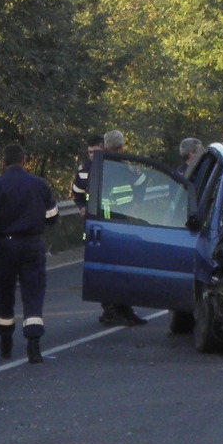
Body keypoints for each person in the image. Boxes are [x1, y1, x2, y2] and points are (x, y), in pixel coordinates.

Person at [0, 143, 56, 363]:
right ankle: (33, 346)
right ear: (24, 161)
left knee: (5, 292)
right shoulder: (39, 185)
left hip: (5, 245)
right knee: (33, 293)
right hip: (32, 245)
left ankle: (5, 342)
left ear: (4, 162)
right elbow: (52, 217)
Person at [73, 129, 145, 325]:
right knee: (111, 268)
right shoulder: (95, 170)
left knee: (118, 268)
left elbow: (140, 186)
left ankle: (122, 309)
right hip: (107, 227)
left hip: (111, 226)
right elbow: (78, 193)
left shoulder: (117, 169)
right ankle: (112, 309)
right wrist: (82, 208)